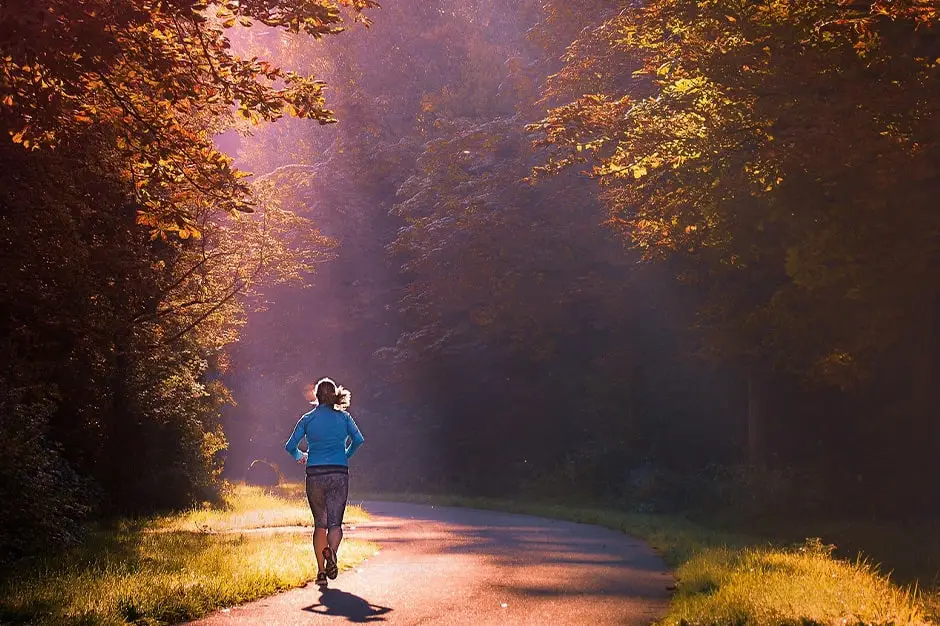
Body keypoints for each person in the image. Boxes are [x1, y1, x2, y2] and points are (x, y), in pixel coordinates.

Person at [285, 377, 365, 587]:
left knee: (320, 524)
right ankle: (332, 555)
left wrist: (300, 456)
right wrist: (346, 454)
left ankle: (321, 573)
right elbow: (359, 440)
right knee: (335, 523)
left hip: (315, 474)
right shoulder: (344, 418)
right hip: (339, 473)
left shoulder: (307, 419)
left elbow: (290, 446)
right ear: (334, 395)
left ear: (316, 396)